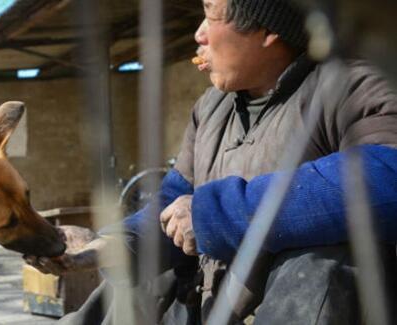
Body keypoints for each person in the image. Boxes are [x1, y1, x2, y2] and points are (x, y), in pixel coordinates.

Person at [25, 0, 397, 323]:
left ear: (266, 31)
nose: (199, 35)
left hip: (290, 305)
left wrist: (213, 214)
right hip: (214, 302)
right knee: (144, 275)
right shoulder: (211, 108)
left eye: (210, 16)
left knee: (322, 261)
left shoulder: (351, 84)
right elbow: (173, 201)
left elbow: (386, 174)